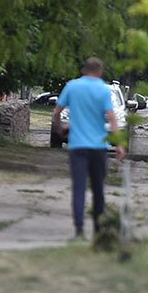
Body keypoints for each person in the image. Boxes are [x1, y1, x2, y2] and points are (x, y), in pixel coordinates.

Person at [54, 57, 124, 239]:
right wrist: (119, 144)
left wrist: (60, 128)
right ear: (100, 72)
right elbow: (112, 117)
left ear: (84, 70)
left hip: (77, 146)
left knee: (79, 188)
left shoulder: (72, 86)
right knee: (98, 189)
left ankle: (78, 230)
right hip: (99, 146)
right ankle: (98, 230)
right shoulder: (103, 90)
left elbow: (57, 112)